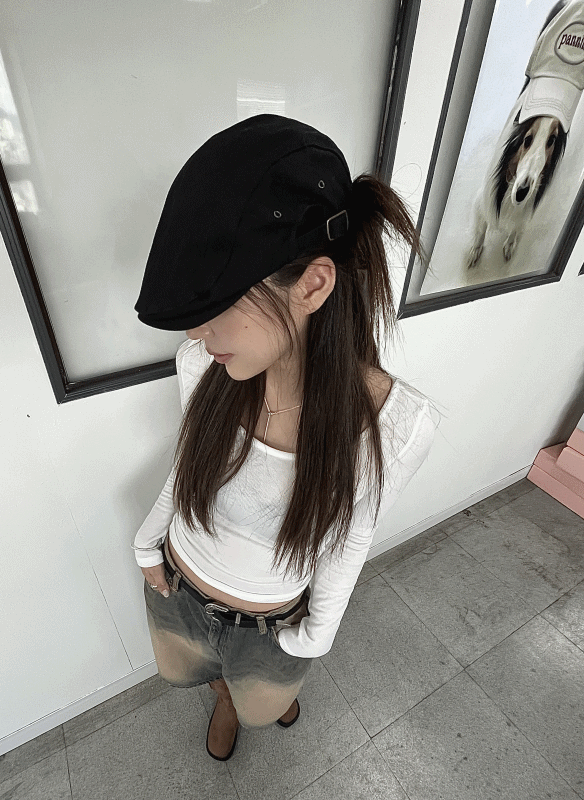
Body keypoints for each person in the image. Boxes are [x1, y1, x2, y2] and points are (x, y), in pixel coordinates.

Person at [131, 114, 442, 761]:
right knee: (198, 677)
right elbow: (189, 469)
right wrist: (146, 543)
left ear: (313, 284)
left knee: (265, 705)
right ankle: (225, 699)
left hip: (271, 626)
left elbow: (349, 537)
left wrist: (315, 634)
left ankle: (252, 701)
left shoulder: (393, 428)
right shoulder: (203, 368)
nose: (195, 333)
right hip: (177, 588)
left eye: (215, 305)